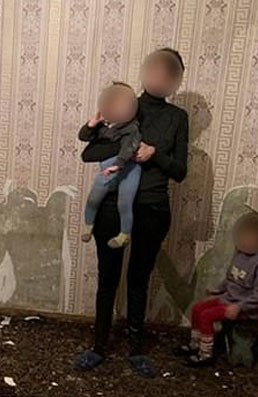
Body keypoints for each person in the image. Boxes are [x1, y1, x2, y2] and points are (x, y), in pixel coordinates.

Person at [75, 48, 189, 378]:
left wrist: (155, 154)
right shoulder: (125, 104)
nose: (159, 77)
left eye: (168, 73)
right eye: (155, 70)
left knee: (139, 279)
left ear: (176, 80)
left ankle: (136, 350)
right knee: (107, 278)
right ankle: (98, 346)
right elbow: (89, 153)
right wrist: (127, 147)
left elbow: (180, 171)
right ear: (145, 71)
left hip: (153, 208)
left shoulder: (177, 118)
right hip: (112, 207)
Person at [177, 212, 258, 367]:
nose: (248, 238)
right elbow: (230, 279)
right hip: (227, 299)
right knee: (197, 309)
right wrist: (217, 290)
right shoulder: (240, 254)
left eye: (253, 235)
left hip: (242, 307)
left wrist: (239, 307)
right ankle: (195, 343)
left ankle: (205, 354)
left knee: (207, 315)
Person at [79, 82, 141, 249]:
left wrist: (119, 164)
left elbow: (129, 147)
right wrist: (91, 124)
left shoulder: (132, 128)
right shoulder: (104, 126)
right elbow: (84, 137)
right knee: (94, 198)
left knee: (124, 202)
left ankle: (125, 234)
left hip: (129, 170)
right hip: (108, 169)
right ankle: (88, 225)